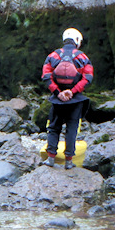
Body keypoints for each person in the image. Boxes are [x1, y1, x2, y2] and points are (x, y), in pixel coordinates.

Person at [41, 28, 93, 169]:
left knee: (53, 128)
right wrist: (73, 91)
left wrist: (58, 93)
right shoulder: (82, 57)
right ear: (77, 41)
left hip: (57, 100)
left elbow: (46, 75)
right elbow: (88, 77)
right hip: (75, 100)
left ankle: (51, 158)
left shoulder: (53, 55)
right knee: (72, 129)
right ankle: (69, 162)